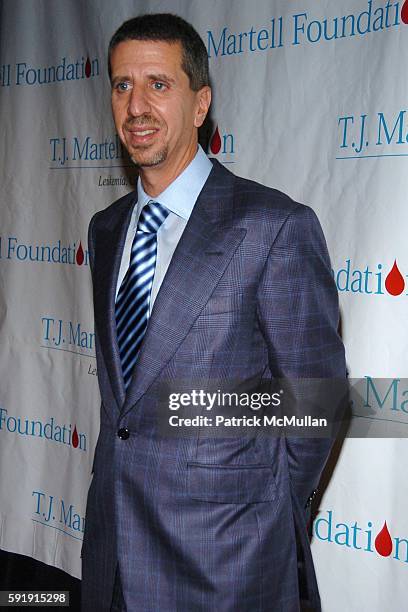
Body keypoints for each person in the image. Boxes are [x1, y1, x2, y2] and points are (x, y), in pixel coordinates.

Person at [82, 13, 346, 612]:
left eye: (158, 83)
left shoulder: (271, 225)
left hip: (226, 565)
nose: (136, 105)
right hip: (112, 553)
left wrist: (263, 517)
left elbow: (315, 399)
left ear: (200, 104)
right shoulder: (105, 229)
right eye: (122, 85)